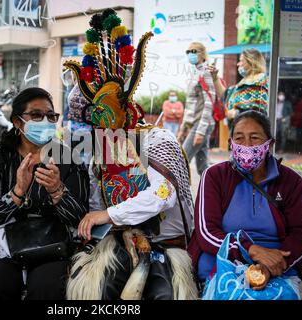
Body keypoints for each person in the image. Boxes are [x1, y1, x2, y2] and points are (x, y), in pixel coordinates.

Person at [64, 9, 198, 300]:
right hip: (118, 242)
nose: (97, 125)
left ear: (124, 109)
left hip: (167, 246)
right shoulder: (102, 152)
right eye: (92, 120)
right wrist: (110, 226)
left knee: (166, 295)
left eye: (103, 115)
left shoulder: (158, 139)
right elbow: (95, 203)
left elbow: (164, 194)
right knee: (94, 292)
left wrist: (109, 215)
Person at [0, 87, 89, 300]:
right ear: (17, 122)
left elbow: (80, 217)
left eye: (50, 116)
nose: (45, 121)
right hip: (5, 241)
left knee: (47, 287)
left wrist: (57, 190)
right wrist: (17, 192)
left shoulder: (69, 159)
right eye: (36, 115)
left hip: (53, 244)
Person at [187, 110, 302, 297]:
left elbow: (300, 234)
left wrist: (271, 266)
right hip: (222, 265)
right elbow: (206, 233)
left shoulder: (290, 181)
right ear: (230, 143)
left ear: (269, 144)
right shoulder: (214, 176)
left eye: (254, 138)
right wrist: (251, 251)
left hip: (276, 268)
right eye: (239, 138)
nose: (246, 145)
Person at [177, 42, 216, 176]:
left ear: (202, 54)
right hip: (196, 123)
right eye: (188, 52)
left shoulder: (206, 72)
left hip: (201, 124)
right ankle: (215, 192)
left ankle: (180, 195)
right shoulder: (196, 72)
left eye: (193, 51)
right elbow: (191, 105)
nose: (190, 55)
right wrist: (184, 127)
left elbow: (210, 102)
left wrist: (200, 131)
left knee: (181, 160)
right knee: (203, 167)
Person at [209, 48, 269, 120]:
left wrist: (237, 113)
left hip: (251, 128)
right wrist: (215, 78)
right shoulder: (243, 83)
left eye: (241, 61)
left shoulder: (260, 81)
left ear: (251, 62)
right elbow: (225, 96)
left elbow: (257, 109)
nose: (238, 64)